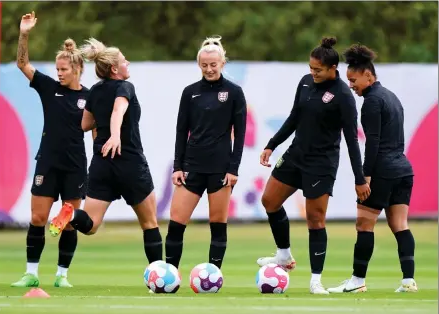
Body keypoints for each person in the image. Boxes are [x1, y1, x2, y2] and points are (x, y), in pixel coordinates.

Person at [256, 37, 371, 294]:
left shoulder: (343, 96)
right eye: (311, 68)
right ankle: (283, 256)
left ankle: (316, 280)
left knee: (315, 220)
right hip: (296, 155)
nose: (313, 73)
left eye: (318, 70)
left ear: (333, 69)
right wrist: (271, 145)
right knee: (269, 201)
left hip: (321, 163)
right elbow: (294, 117)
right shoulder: (306, 83)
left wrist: (359, 178)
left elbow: (351, 140)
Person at [47, 38, 163, 267]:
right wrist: (116, 134)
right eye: (123, 61)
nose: (127, 62)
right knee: (149, 223)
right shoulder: (125, 87)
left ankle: (70, 215)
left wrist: (103, 124)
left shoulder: (95, 91)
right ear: (114, 69)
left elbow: (84, 124)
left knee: (90, 225)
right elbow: (119, 109)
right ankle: (157, 275)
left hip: (102, 164)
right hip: (129, 162)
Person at [327, 44, 417, 293]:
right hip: (403, 169)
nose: (351, 86)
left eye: (353, 80)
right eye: (348, 81)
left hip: (383, 171)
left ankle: (357, 281)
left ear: (368, 75)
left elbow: (373, 143)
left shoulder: (372, 102)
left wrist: (364, 176)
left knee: (364, 225)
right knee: (400, 225)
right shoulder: (391, 96)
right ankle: (408, 281)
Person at [11, 11, 89, 289]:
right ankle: (31, 272)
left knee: (68, 222)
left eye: (64, 70)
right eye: (57, 69)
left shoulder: (88, 97)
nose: (59, 73)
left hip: (75, 165)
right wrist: (24, 33)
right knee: (38, 218)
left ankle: (62, 275)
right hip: (47, 162)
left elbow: (97, 129)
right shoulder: (48, 87)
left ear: (77, 69)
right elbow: (22, 63)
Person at [164, 36, 247, 271]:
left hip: (220, 169)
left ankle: (214, 275)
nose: (209, 69)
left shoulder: (234, 92)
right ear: (199, 65)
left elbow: (239, 135)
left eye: (213, 64)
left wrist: (233, 169)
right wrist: (177, 166)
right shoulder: (189, 92)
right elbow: (181, 131)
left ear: (222, 63)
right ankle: (170, 275)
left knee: (218, 225)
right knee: (176, 224)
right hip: (192, 166)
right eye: (204, 65)